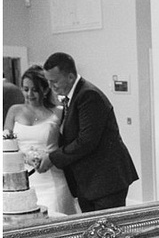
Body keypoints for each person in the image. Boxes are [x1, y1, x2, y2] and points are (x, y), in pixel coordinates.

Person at [39, 52, 139, 212]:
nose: (51, 87)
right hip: (89, 183)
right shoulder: (73, 96)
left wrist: (52, 158)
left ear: (71, 77)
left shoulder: (88, 95)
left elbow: (86, 141)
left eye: (55, 81)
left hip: (105, 182)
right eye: (49, 82)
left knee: (107, 232)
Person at [4, 66, 78, 216]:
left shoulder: (59, 111)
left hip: (52, 178)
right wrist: (25, 158)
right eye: (25, 89)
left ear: (45, 90)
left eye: (35, 90)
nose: (29, 94)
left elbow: (70, 143)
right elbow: (6, 146)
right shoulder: (14, 111)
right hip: (24, 181)